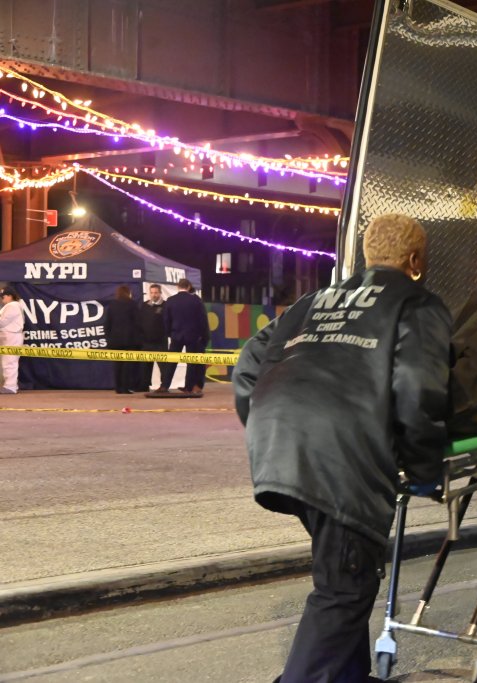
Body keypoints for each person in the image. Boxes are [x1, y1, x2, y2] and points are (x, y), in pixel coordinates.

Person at [232, 213, 451, 683]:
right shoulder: (416, 304)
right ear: (415, 260)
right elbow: (418, 389)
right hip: (342, 456)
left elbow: (248, 363)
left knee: (344, 568)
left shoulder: (313, 300)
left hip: (280, 445)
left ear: (367, 255)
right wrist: (424, 466)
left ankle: (350, 676)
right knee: (344, 588)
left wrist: (265, 423)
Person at [156, 278, 209, 396]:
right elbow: (202, 320)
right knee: (191, 362)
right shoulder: (196, 300)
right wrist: (203, 336)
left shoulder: (170, 301)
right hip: (193, 336)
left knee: (171, 361)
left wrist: (170, 333)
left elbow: (166, 320)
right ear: (189, 287)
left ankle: (165, 385)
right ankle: (189, 387)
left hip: (176, 335)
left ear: (177, 286)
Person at [102, 285, 142, 394]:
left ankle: (118, 387)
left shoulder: (112, 305)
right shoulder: (132, 304)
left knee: (117, 365)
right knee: (127, 366)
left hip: (115, 340)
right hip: (129, 340)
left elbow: (107, 324)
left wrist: (109, 338)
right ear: (128, 293)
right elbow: (137, 323)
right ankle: (125, 387)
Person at [137, 284, 167, 392]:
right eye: (152, 292)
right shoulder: (144, 305)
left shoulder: (166, 306)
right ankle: (144, 386)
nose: (154, 295)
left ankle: (164, 386)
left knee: (164, 367)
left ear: (160, 293)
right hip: (146, 341)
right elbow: (140, 321)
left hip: (160, 342)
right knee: (145, 366)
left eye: (156, 292)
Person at [0, 285, 25, 394]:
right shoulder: (13, 305)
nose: (2, 298)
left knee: (9, 361)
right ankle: (9, 385)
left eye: (3, 296)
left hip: (12, 336)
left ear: (10, 296)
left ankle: (10, 386)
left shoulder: (12, 305)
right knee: (9, 361)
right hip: (10, 335)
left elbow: (2, 322)